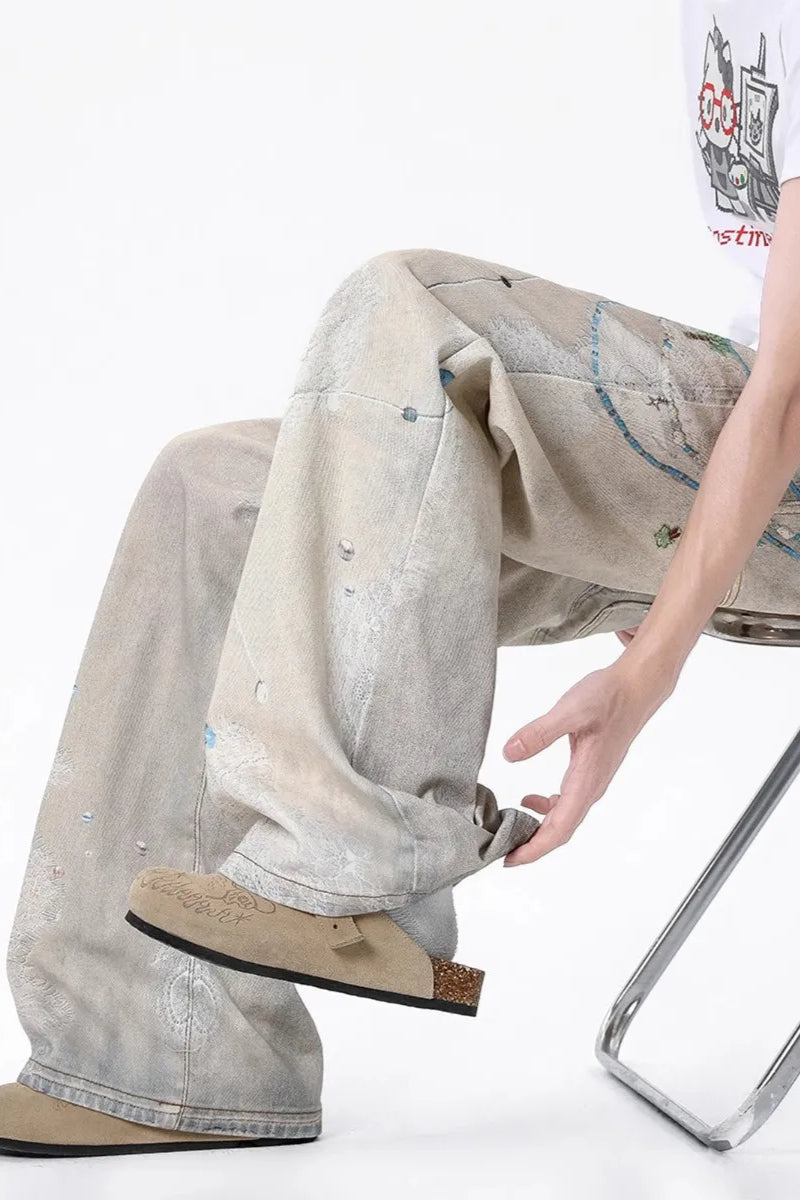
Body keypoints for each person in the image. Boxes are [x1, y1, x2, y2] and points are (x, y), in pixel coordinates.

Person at [3, 0, 800, 1158]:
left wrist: (649, 673)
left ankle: (359, 871)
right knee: (215, 490)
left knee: (414, 308)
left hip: (776, 454)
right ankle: (157, 1057)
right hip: (736, 474)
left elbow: (783, 395)